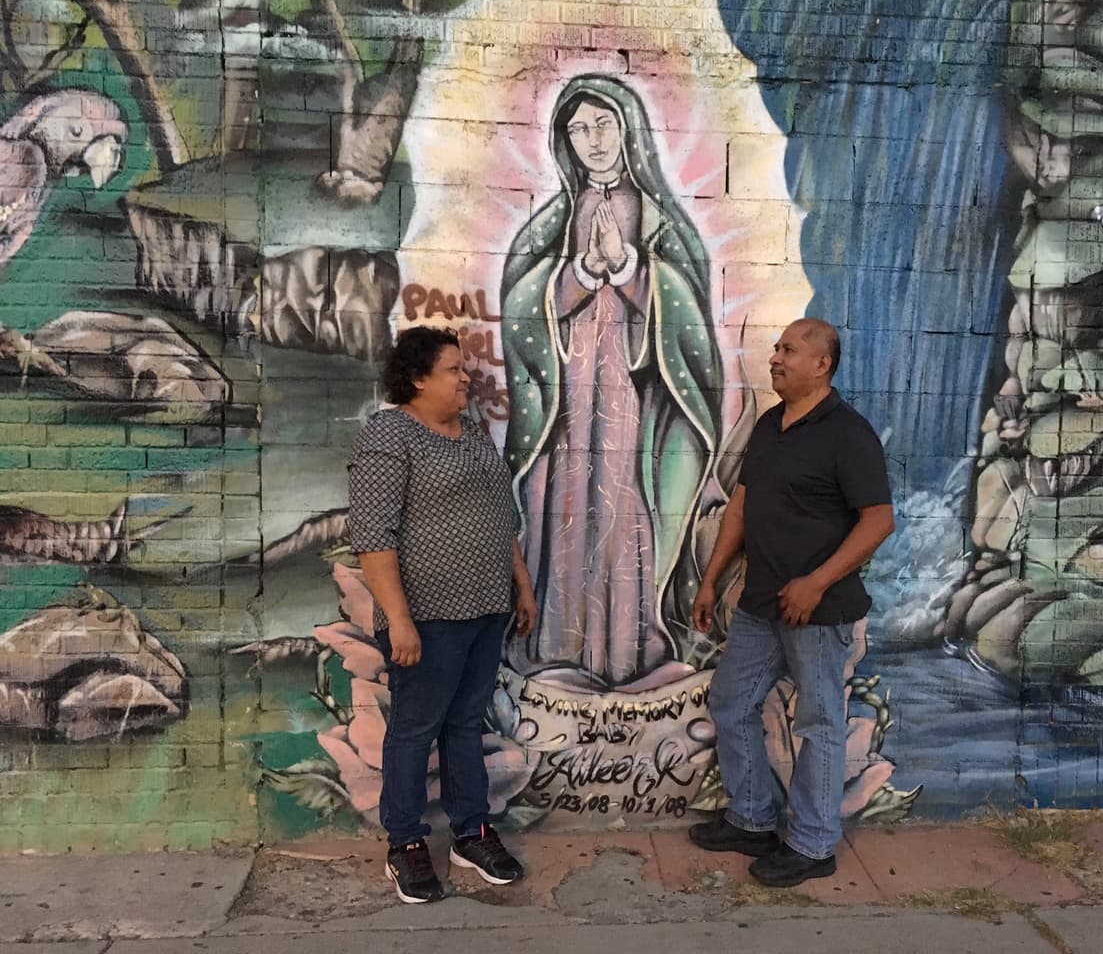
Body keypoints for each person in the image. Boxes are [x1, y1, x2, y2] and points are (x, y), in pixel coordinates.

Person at [500, 74, 722, 688]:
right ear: (564, 142)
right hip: (567, 405)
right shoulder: (552, 224)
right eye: (578, 130)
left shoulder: (661, 223)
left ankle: (628, 655)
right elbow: (520, 306)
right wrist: (578, 270)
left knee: (625, 514)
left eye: (603, 125)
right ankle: (559, 653)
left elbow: (689, 319)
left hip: (632, 403)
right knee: (564, 514)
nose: (592, 140)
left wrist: (627, 267)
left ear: (628, 130)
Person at [687, 318, 896, 887]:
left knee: (820, 724)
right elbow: (740, 507)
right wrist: (711, 581)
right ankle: (752, 819)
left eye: (789, 350)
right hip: (760, 604)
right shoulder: (770, 425)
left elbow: (879, 521)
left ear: (822, 365)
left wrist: (817, 582)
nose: (775, 358)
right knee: (732, 703)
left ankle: (812, 844)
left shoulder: (848, 434)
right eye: (776, 348)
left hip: (818, 612)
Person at [347, 326, 538, 904]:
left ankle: (471, 833)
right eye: (453, 370)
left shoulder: (473, 434)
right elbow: (372, 536)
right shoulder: (390, 436)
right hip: (428, 617)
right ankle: (405, 843)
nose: (465, 379)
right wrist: (399, 620)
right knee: (414, 729)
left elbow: (500, 516)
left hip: (485, 610)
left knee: (465, 724)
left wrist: (521, 585)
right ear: (417, 379)